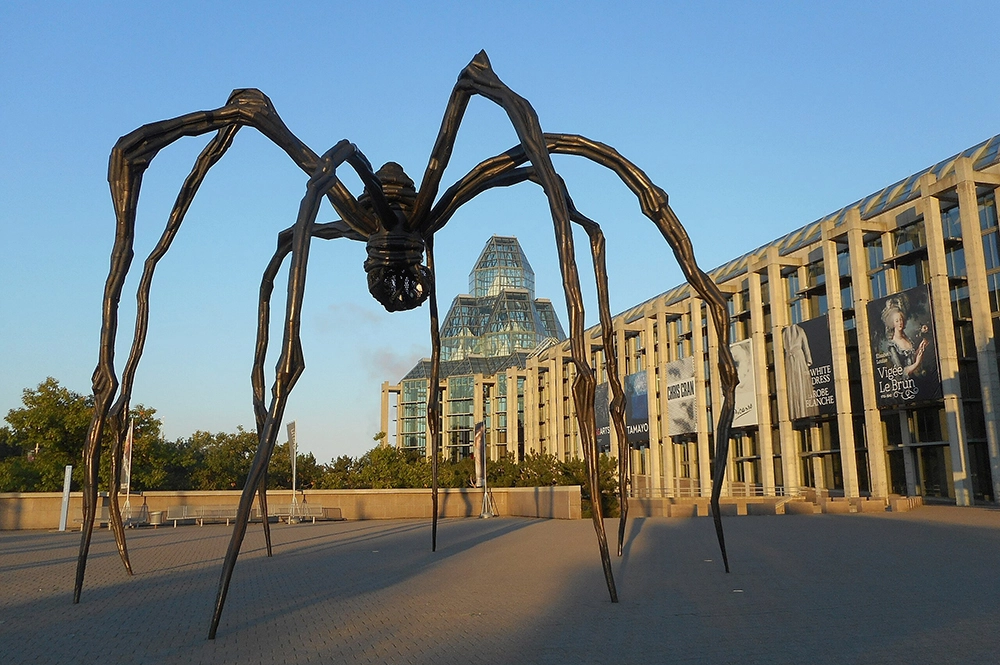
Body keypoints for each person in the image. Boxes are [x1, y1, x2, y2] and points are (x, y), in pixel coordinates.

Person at [881, 297, 928, 377]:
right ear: (892, 324)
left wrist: (920, 349)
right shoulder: (892, 346)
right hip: (907, 385)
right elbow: (901, 373)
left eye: (901, 320)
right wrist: (917, 363)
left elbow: (912, 358)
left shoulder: (907, 338)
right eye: (897, 321)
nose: (900, 323)